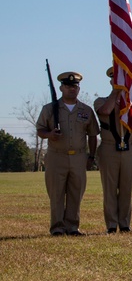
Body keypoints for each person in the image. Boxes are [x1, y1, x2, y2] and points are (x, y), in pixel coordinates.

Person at [35, 71, 99, 235]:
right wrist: (50, 135)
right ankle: (57, 227)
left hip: (78, 156)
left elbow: (92, 134)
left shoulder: (86, 110)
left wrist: (91, 156)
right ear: (61, 88)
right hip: (57, 155)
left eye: (75, 86)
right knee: (56, 193)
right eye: (69, 86)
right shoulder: (50, 109)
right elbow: (40, 129)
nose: (72, 89)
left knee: (76, 192)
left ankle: (72, 226)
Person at [94, 66, 132, 233]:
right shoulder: (101, 100)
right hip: (109, 148)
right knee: (109, 189)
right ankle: (110, 224)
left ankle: (124, 223)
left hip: (130, 148)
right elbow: (105, 111)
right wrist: (116, 93)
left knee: (126, 189)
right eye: (115, 79)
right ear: (111, 81)